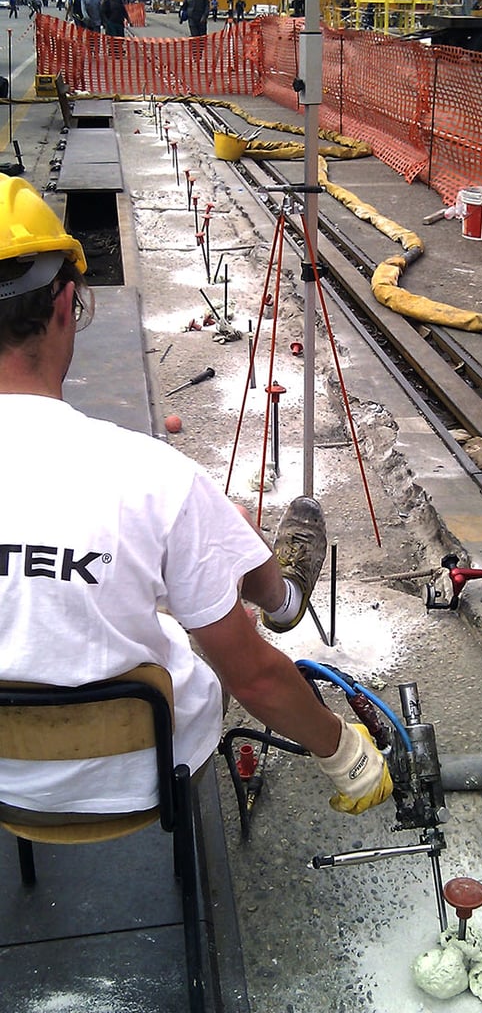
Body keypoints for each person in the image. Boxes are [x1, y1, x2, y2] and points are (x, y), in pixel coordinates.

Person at [0, 175, 392, 820]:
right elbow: (256, 678)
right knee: (200, 554)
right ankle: (281, 594)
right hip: (142, 771)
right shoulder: (149, 475)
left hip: (4, 784)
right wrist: (349, 757)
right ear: (67, 304)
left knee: (193, 542)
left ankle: (260, 580)